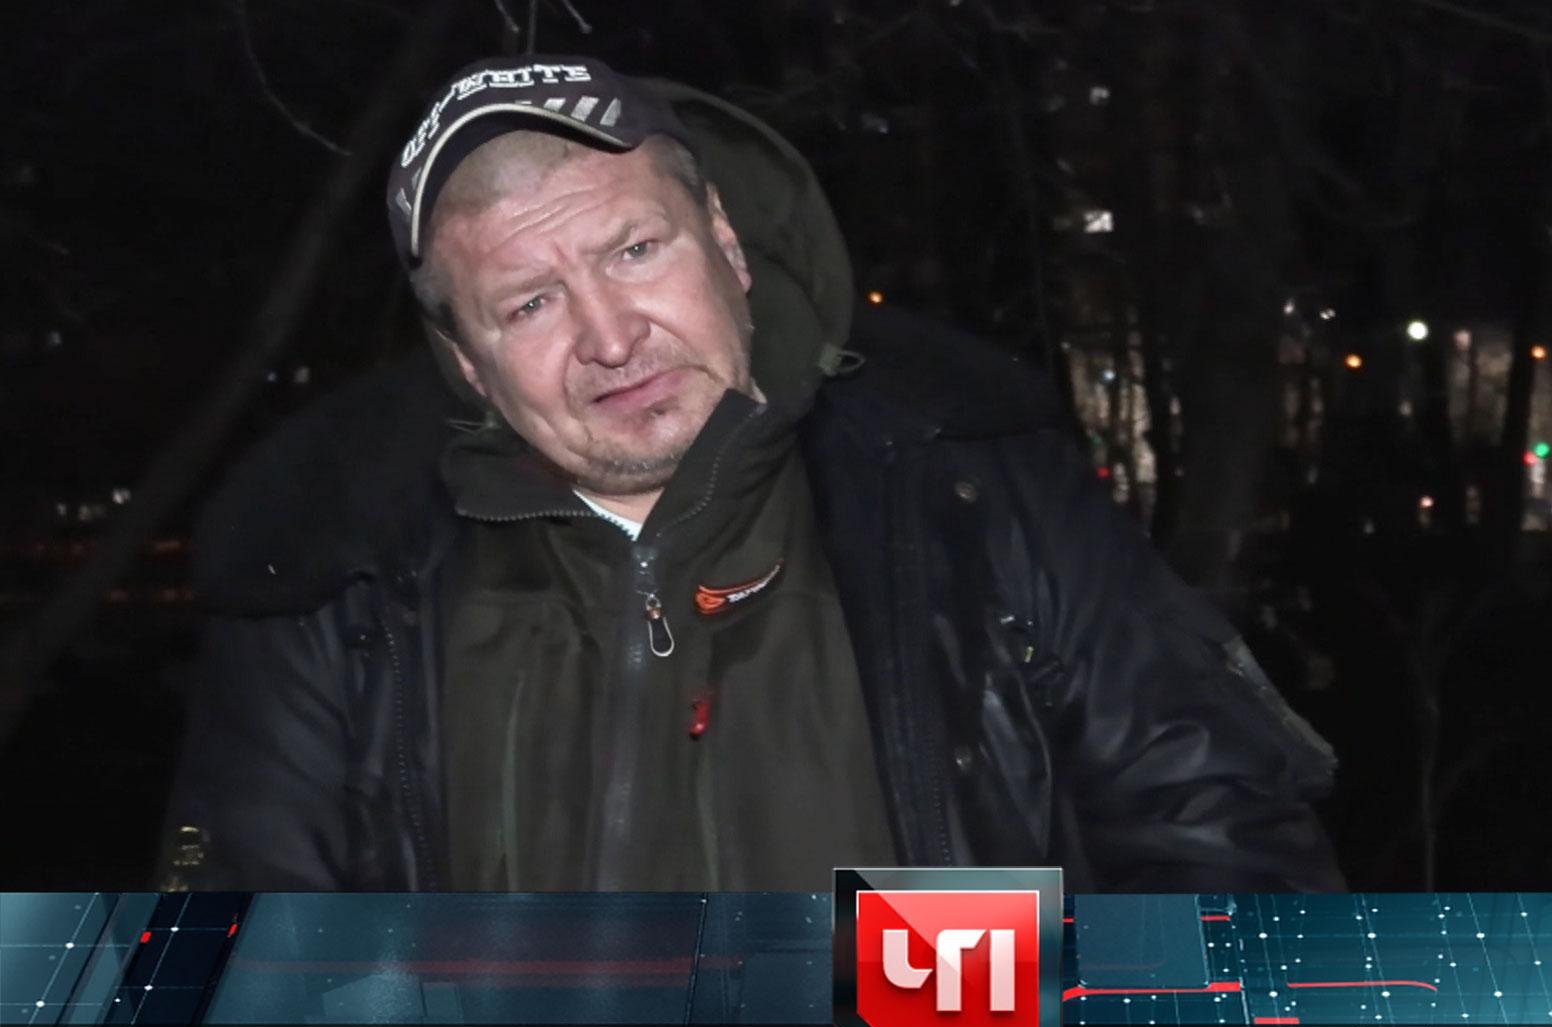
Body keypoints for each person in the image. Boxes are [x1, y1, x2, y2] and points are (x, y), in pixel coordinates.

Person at [158, 55, 1343, 893]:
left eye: (636, 249)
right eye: (529, 303)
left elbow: (1222, 846)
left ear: (724, 244)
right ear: (467, 362)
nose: (611, 336)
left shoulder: (971, 490)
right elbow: (241, 977)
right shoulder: (334, 590)